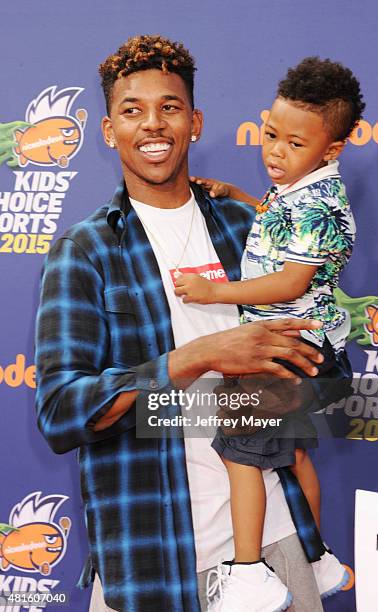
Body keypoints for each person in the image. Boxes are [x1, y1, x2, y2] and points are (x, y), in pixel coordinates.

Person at [35, 37, 333, 612]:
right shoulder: (85, 249)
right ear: (107, 129)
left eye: (169, 107)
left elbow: (317, 350)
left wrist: (293, 374)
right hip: (152, 550)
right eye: (132, 110)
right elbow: (60, 411)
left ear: (194, 122)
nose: (153, 125)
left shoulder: (249, 222)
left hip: (272, 537)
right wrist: (200, 357)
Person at [174, 57, 364, 609]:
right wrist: (238, 193)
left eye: (294, 145)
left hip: (288, 351)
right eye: (270, 135)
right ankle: (318, 558)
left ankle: (250, 572)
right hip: (308, 352)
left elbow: (289, 280)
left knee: (240, 454)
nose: (275, 153)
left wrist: (215, 293)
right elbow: (286, 229)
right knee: (295, 455)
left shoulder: (321, 201)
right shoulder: (302, 190)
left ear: (330, 150)